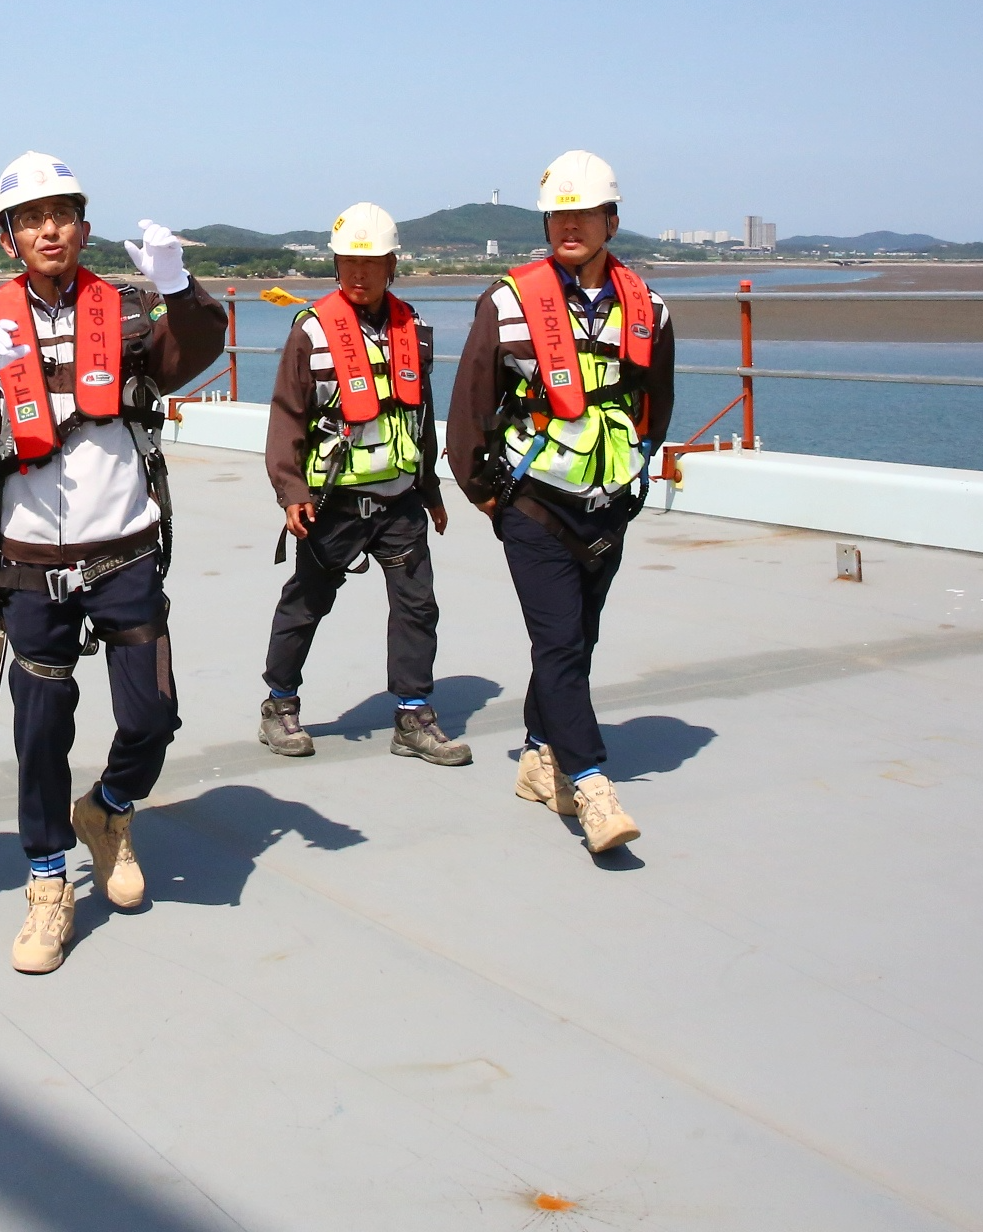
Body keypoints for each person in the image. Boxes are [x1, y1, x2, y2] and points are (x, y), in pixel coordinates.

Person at [0, 153, 226, 974]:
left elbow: (190, 354)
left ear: (84, 227)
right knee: (41, 729)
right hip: (30, 561)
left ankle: (110, 808)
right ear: (9, 237)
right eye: (31, 219)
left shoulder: (126, 309)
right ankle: (48, 879)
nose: (48, 230)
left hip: (124, 546)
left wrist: (179, 287)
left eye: (61, 215)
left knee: (153, 716)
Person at [444, 151, 674, 856]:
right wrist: (490, 497)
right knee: (560, 642)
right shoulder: (509, 301)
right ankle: (592, 783)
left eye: (585, 214)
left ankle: (539, 756)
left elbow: (655, 404)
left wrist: (630, 473)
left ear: (611, 221)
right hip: (534, 503)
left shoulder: (649, 307)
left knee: (579, 638)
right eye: (558, 216)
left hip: (608, 503)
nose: (570, 226)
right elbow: (469, 407)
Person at [257, 203, 464, 766]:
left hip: (400, 501)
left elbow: (420, 415)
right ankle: (279, 703)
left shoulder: (411, 328)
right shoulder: (312, 330)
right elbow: (287, 414)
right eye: (349, 261)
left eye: (371, 262)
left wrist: (431, 488)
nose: (358, 273)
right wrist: (292, 492)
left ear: (392, 265)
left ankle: (414, 716)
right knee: (306, 603)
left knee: (417, 606)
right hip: (334, 502)